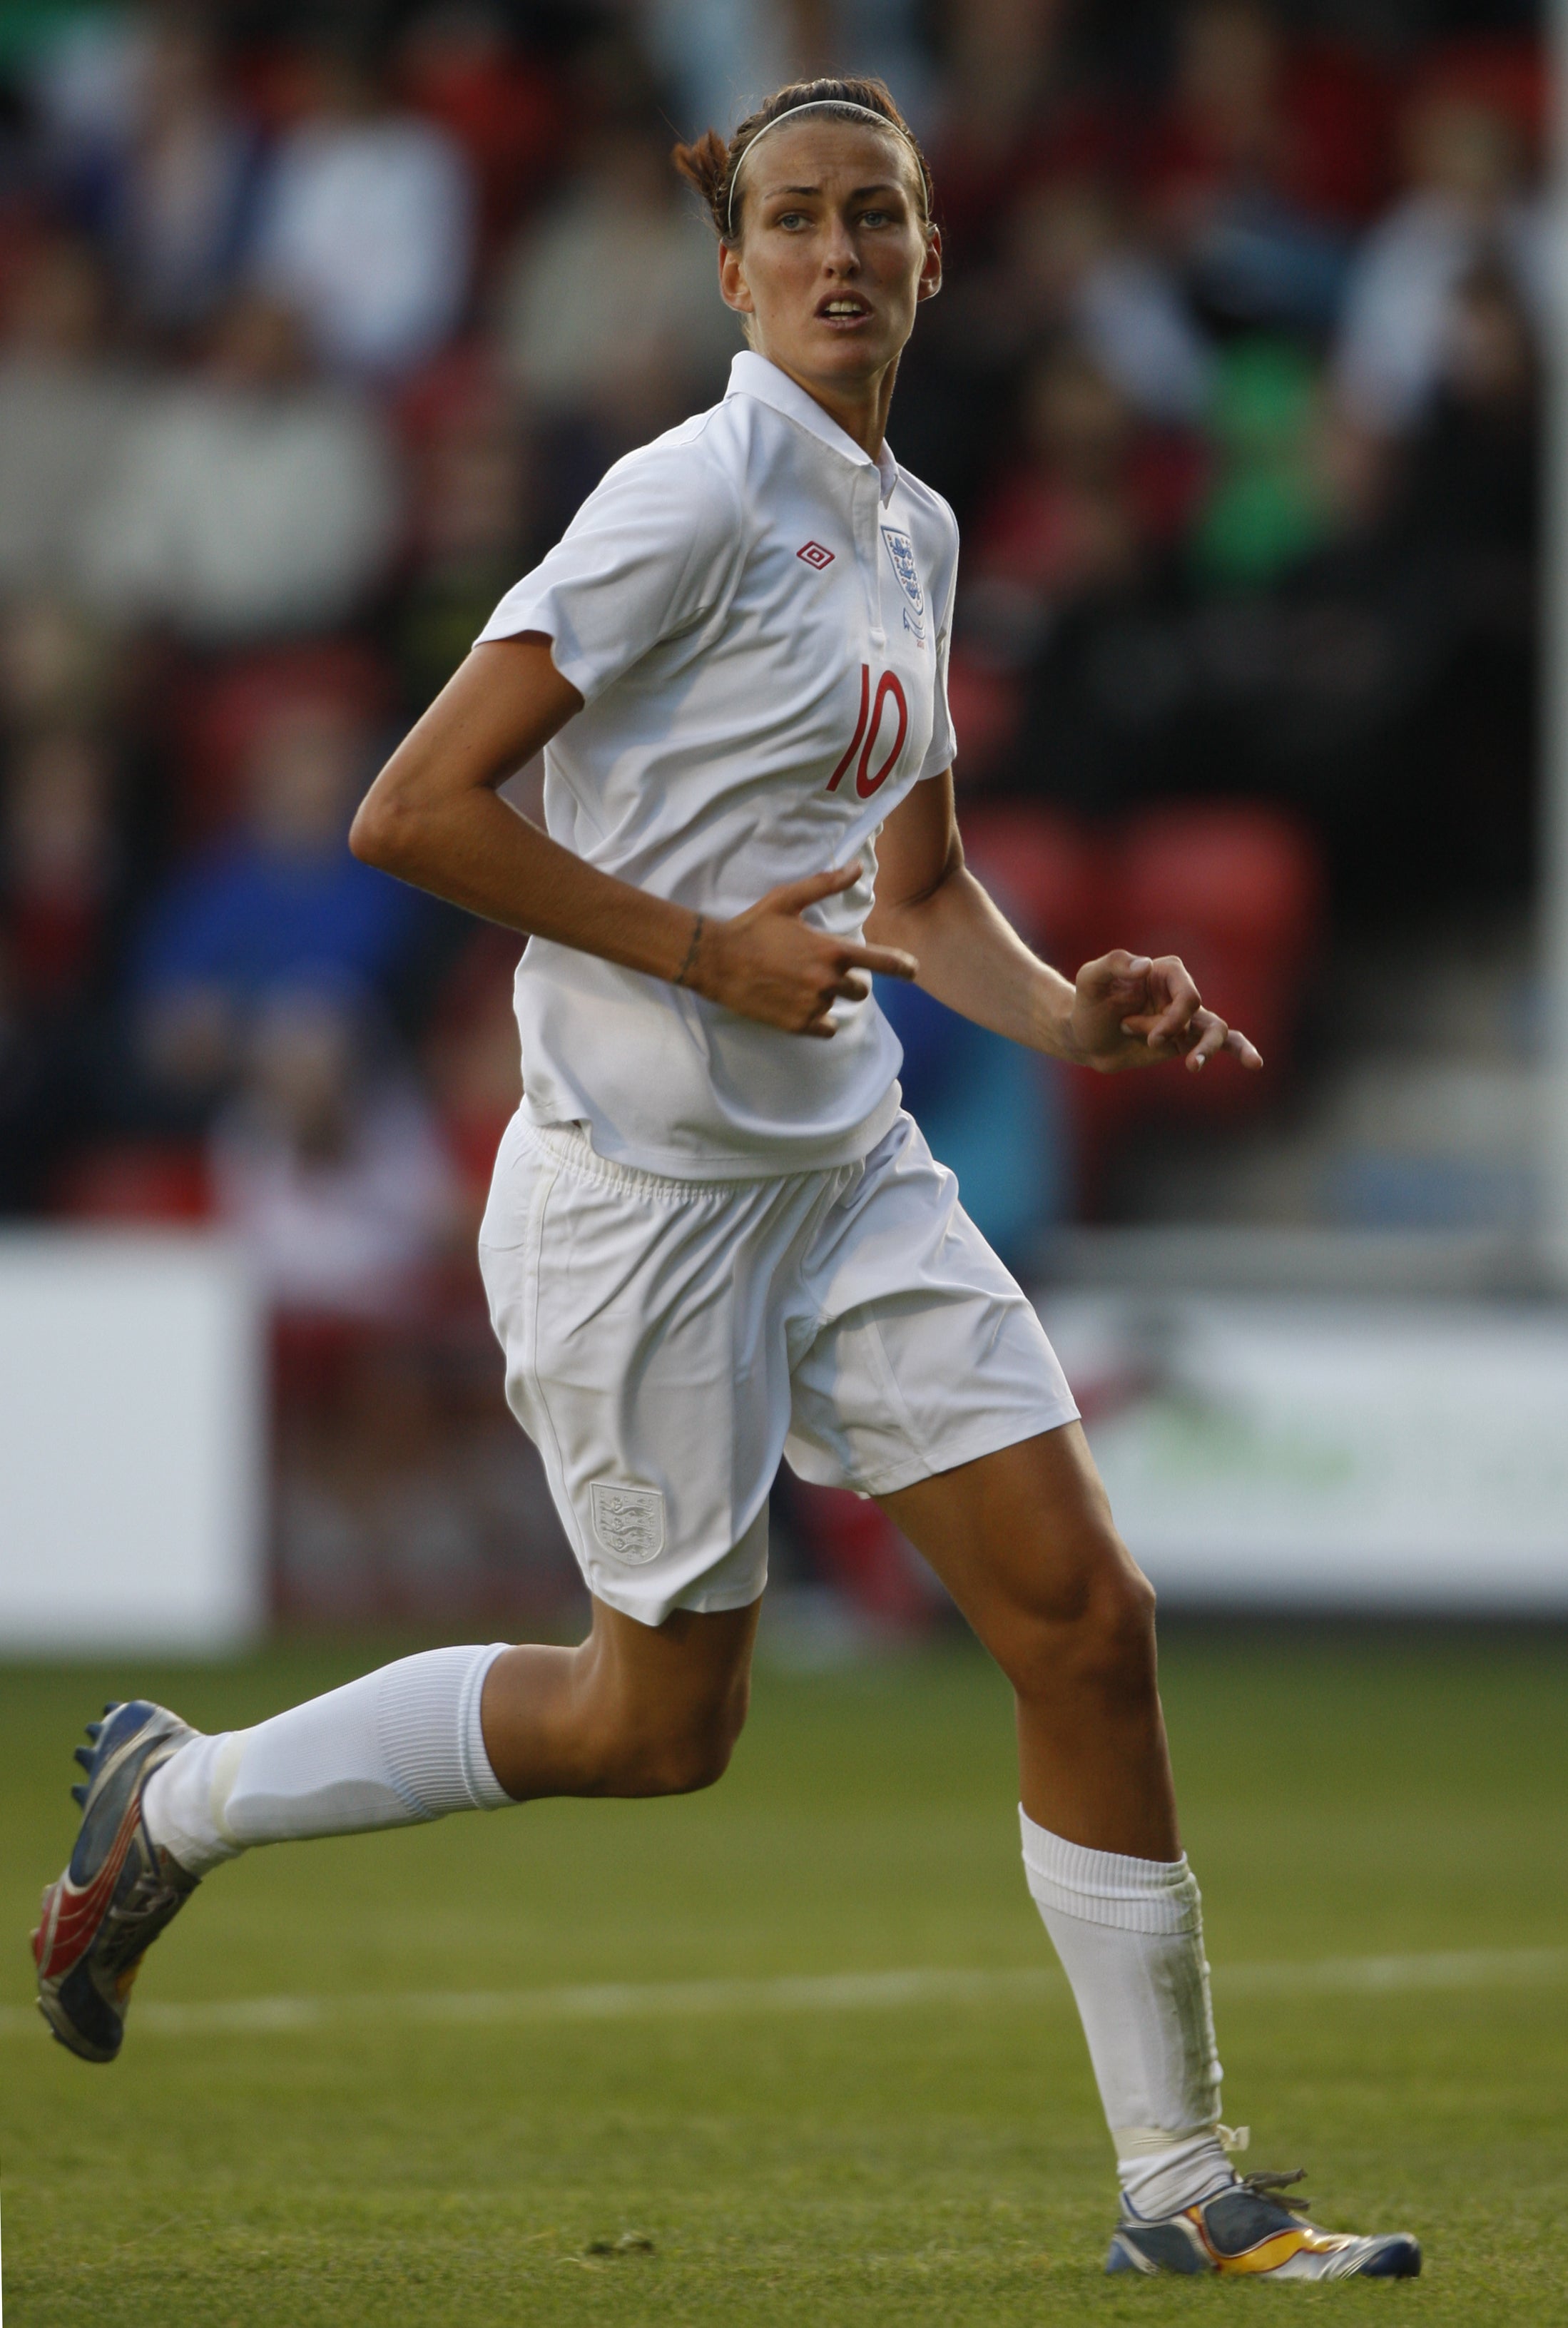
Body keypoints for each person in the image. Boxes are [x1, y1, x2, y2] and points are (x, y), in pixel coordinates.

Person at [32, 76, 1419, 2285]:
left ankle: (1184, 2186)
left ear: (936, 256)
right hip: (639, 1196)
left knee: (1088, 1622)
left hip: (844, 1156)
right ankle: (176, 1800)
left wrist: (1072, 1014)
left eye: (880, 215)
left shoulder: (914, 533)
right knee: (653, 1725)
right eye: (796, 219)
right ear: (733, 267)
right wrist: (701, 952)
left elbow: (920, 881)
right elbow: (410, 812)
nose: (841, 251)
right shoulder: (680, 498)